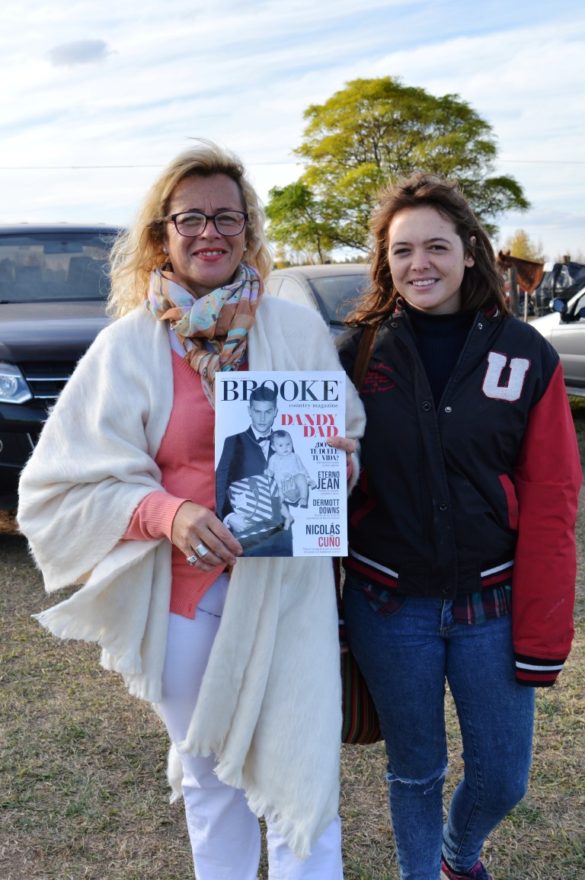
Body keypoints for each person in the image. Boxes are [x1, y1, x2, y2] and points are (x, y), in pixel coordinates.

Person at [17, 140, 365, 880]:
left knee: (304, 771)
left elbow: (347, 434)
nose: (210, 232)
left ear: (249, 230)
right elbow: (60, 479)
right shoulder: (127, 348)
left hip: (287, 592)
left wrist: (340, 460)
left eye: (227, 218)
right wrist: (163, 512)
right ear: (161, 236)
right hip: (186, 595)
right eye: (191, 218)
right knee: (211, 782)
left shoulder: (296, 331)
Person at [337, 172, 581, 880]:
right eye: (402, 249)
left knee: (503, 778)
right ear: (383, 261)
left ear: (470, 251)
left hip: (491, 607)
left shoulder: (524, 352)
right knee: (415, 772)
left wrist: (541, 631)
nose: (420, 264)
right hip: (388, 604)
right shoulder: (352, 352)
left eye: (436, 246)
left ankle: (457, 854)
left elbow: (552, 494)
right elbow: (316, 477)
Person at [216, 384, 293, 555]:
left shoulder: (286, 443)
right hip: (246, 533)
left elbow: (292, 484)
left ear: (275, 411)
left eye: (267, 412)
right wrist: (229, 516)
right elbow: (220, 482)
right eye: (257, 411)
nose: (262, 418)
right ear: (249, 410)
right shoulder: (233, 441)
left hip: (283, 537)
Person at [266, 429, 317, 508]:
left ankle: (304, 498)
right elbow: (271, 471)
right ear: (273, 447)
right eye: (280, 445)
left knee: (300, 477)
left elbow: (302, 470)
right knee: (274, 488)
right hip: (281, 485)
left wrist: (309, 480)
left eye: (288, 444)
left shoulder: (295, 456)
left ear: (292, 443)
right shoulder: (273, 458)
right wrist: (268, 472)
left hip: (295, 482)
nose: (285, 447)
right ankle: (279, 501)